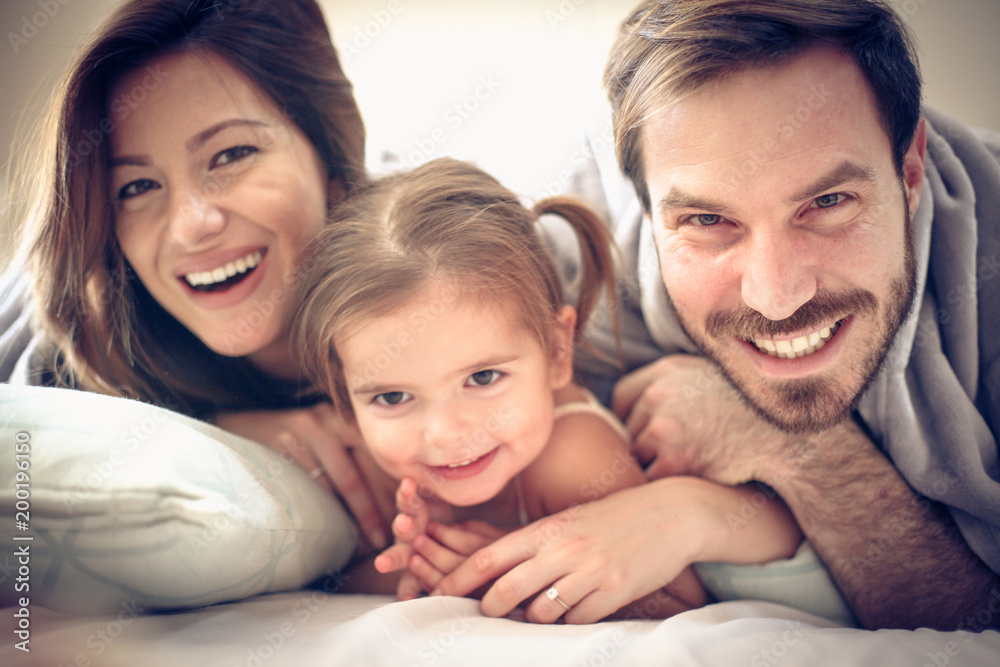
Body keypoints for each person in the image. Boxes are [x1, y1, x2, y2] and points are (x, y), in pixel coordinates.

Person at [432, 0, 1000, 631]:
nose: (776, 297)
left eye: (829, 201)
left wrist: (793, 450)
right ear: (646, 213)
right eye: (707, 220)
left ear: (910, 168)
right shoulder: (564, 267)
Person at [290, 157, 805, 620]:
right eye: (393, 398)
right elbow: (339, 582)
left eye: (483, 378)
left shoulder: (570, 455)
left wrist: (512, 573)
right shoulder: (378, 462)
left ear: (558, 353)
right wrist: (422, 570)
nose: (445, 434)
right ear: (345, 396)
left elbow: (674, 605)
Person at [0, 0, 388, 551]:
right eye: (136, 187)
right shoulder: (70, 346)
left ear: (332, 164)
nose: (189, 227)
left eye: (230, 154)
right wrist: (210, 433)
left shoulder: (460, 265)